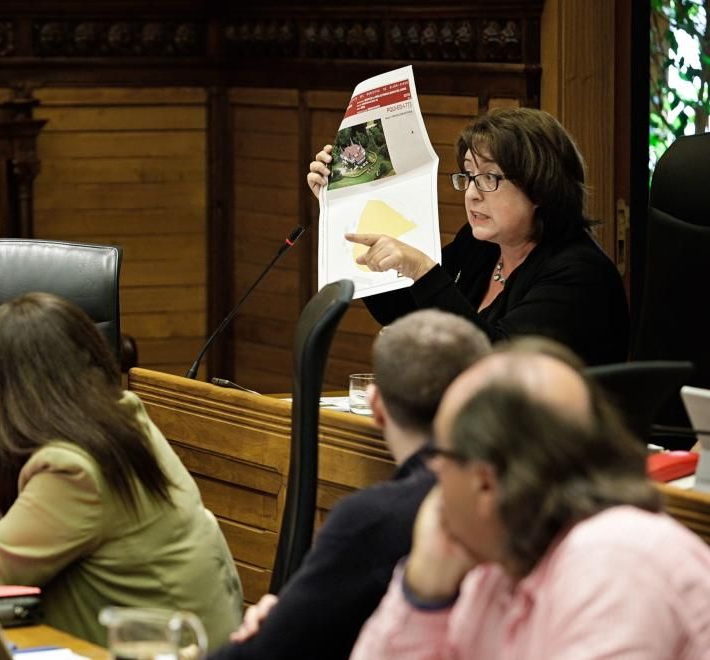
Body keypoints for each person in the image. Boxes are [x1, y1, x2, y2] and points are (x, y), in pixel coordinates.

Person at [350, 350, 710, 659]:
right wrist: (424, 593)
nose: (434, 471)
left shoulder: (615, 561)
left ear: (485, 482)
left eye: (441, 454)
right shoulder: (494, 559)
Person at [0, 292, 243, 649]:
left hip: (158, 649)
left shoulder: (71, 469)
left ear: (2, 386)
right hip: (197, 636)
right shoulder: (123, 413)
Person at [211, 310, 491, 660]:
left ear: (375, 406)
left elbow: (270, 652)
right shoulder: (527, 495)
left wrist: (276, 624)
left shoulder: (376, 518)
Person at [307, 107, 628, 365]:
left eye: (489, 178)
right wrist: (340, 205)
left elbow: (494, 364)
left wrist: (422, 270)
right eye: (469, 176)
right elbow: (404, 311)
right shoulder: (481, 247)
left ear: (540, 187)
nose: (472, 194)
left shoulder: (579, 274)